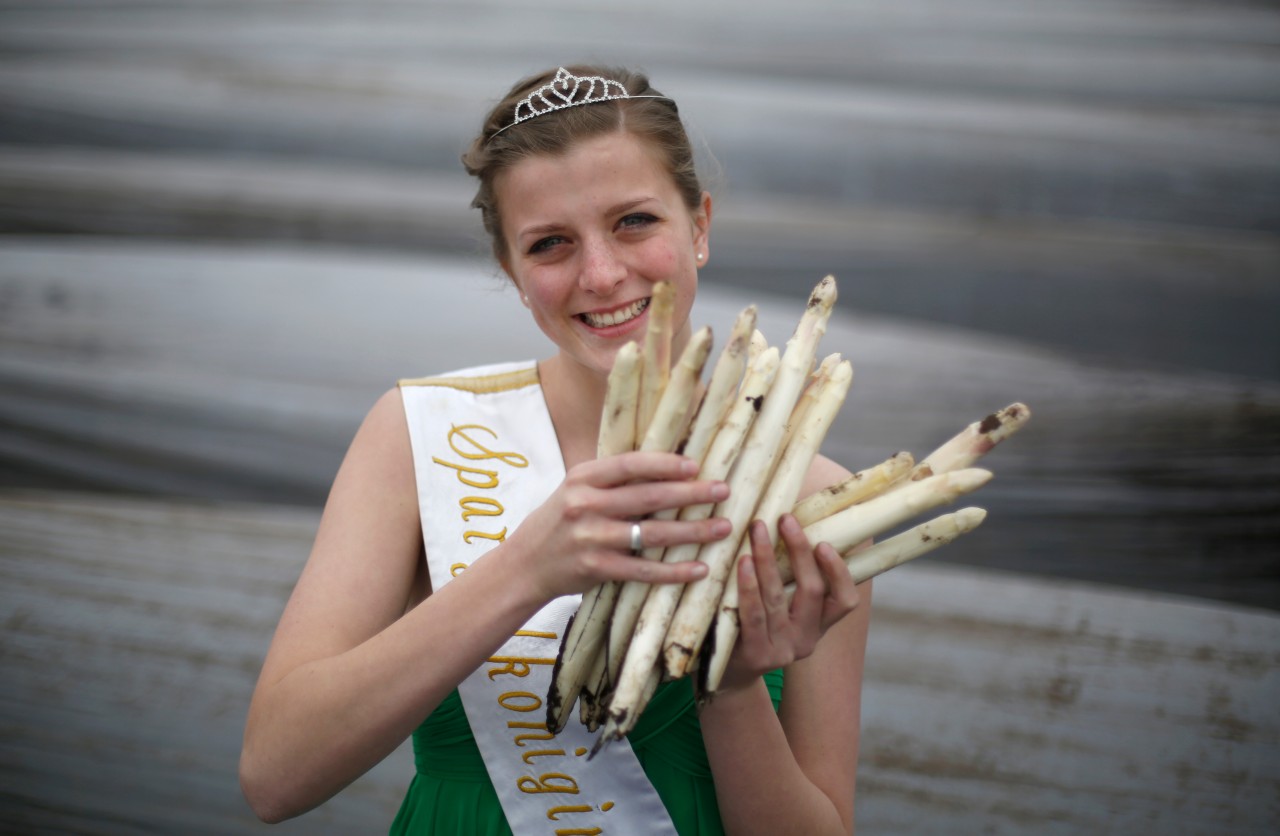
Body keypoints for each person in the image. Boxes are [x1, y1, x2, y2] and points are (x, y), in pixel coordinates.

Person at [240, 64, 870, 835]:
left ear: (699, 225)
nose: (602, 274)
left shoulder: (812, 499)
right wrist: (526, 568)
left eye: (635, 221)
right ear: (511, 269)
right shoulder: (418, 436)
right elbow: (274, 777)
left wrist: (731, 690)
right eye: (550, 244)